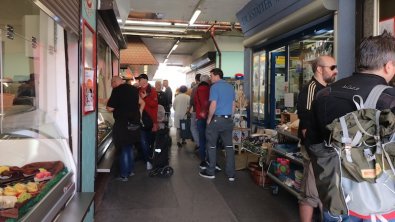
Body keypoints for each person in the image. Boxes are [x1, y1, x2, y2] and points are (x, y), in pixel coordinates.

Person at [307, 31, 395, 221]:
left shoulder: (325, 94)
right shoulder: (390, 99)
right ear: (388, 66)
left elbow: (313, 144)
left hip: (336, 201)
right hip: (381, 208)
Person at [296, 55, 337, 222]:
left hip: (327, 150)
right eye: (332, 67)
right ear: (319, 69)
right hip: (316, 150)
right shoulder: (311, 89)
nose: (336, 71)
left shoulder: (328, 89)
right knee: (311, 193)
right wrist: (315, 152)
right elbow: (305, 124)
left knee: (325, 192)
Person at [199, 68, 236, 181]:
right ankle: (231, 174)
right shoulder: (230, 87)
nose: (210, 78)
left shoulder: (214, 87)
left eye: (211, 76)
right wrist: (231, 117)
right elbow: (233, 105)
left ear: (216, 76)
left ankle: (211, 171)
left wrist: (209, 118)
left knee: (211, 145)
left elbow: (213, 105)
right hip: (228, 120)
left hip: (217, 120)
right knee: (229, 147)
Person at [106, 76, 145, 181]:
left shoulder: (117, 90)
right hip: (134, 123)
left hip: (123, 124)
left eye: (111, 83)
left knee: (124, 148)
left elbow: (110, 108)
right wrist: (139, 113)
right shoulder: (133, 89)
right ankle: (130, 171)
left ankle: (124, 175)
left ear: (115, 82)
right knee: (130, 147)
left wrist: (108, 103)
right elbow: (142, 103)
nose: (111, 85)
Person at [137, 73, 158, 170]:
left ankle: (150, 156)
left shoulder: (152, 90)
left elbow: (154, 104)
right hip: (140, 119)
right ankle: (147, 160)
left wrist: (145, 98)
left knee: (150, 141)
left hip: (151, 120)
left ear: (145, 80)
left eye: (140, 79)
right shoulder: (137, 90)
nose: (139, 81)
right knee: (143, 141)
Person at [194, 74, 211, 169]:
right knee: (208, 139)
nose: (210, 80)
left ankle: (203, 160)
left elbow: (196, 102)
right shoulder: (206, 88)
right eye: (209, 79)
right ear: (207, 80)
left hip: (200, 116)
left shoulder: (198, 89)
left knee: (202, 138)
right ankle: (206, 160)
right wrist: (206, 113)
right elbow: (206, 103)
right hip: (206, 117)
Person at [188, 73, 201, 148]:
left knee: (193, 127)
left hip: (196, 111)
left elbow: (192, 100)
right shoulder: (208, 86)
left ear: (196, 80)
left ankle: (199, 144)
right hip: (206, 112)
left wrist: (189, 109)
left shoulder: (195, 88)